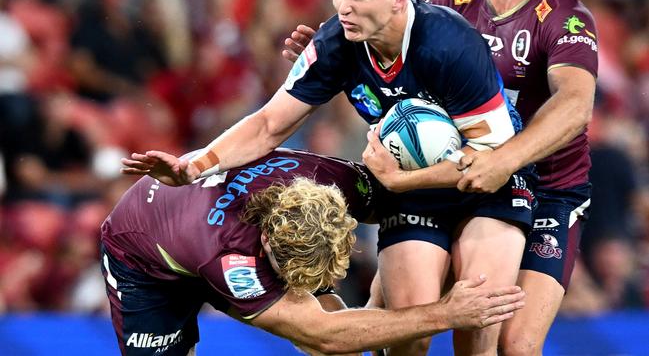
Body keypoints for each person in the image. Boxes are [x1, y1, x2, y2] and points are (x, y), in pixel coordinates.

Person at [123, 0, 534, 356]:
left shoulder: (449, 47)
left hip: (488, 186)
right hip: (415, 194)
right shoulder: (335, 42)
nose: (343, 7)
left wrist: (400, 180)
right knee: (409, 337)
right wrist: (196, 164)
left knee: (479, 338)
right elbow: (267, 124)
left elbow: (493, 162)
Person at [283, 0, 598, 356]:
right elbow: (396, 70)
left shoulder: (566, 18)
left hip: (547, 188)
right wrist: (336, 54)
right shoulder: (454, 2)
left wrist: (504, 159)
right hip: (454, 177)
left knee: (513, 345)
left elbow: (575, 106)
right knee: (401, 325)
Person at [104, 148, 525, 355]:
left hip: (212, 224)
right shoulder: (231, 258)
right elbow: (322, 334)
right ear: (267, 241)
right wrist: (445, 313)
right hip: (144, 260)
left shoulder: (335, 180)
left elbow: (410, 209)